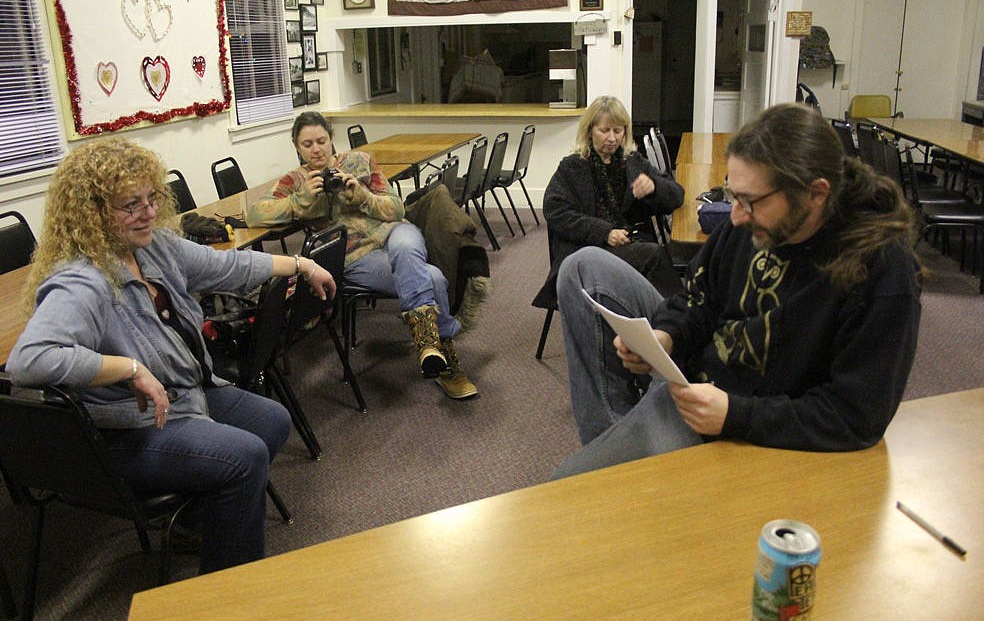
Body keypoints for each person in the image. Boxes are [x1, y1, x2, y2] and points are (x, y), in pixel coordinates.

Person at [7, 137, 336, 574]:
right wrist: (127, 369)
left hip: (182, 396)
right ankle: (228, 591)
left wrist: (301, 265)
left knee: (272, 421)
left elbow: (227, 267)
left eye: (150, 198)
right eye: (129, 204)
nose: (146, 212)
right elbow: (29, 361)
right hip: (125, 427)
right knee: (244, 455)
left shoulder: (153, 246)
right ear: (92, 211)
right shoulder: (82, 281)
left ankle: (200, 523)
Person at [552, 103, 923, 479]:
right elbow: (698, 297)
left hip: (741, 421)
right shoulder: (747, 221)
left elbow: (855, 417)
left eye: (751, 201)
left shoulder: (881, 270)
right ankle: (617, 451)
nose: (736, 216)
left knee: (562, 489)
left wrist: (734, 415)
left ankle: (617, 465)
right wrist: (667, 335)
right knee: (582, 268)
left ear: (816, 193)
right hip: (697, 383)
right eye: (734, 195)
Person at [246, 112, 477, 401]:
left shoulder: (359, 162)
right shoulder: (295, 181)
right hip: (356, 255)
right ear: (297, 147)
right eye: (307, 144)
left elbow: (396, 208)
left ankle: (431, 346)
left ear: (332, 139)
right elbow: (255, 212)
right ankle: (439, 354)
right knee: (434, 278)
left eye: (321, 140)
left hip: (394, 233)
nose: (316, 149)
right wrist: (300, 199)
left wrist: (362, 196)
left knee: (407, 249)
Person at [533, 95, 686, 311]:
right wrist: (604, 232)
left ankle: (664, 320)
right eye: (605, 131)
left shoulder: (631, 161)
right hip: (586, 251)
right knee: (654, 256)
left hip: (627, 243)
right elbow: (555, 211)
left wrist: (654, 187)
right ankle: (677, 318)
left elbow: (677, 195)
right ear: (589, 131)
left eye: (618, 130)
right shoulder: (573, 167)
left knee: (655, 256)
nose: (612, 138)